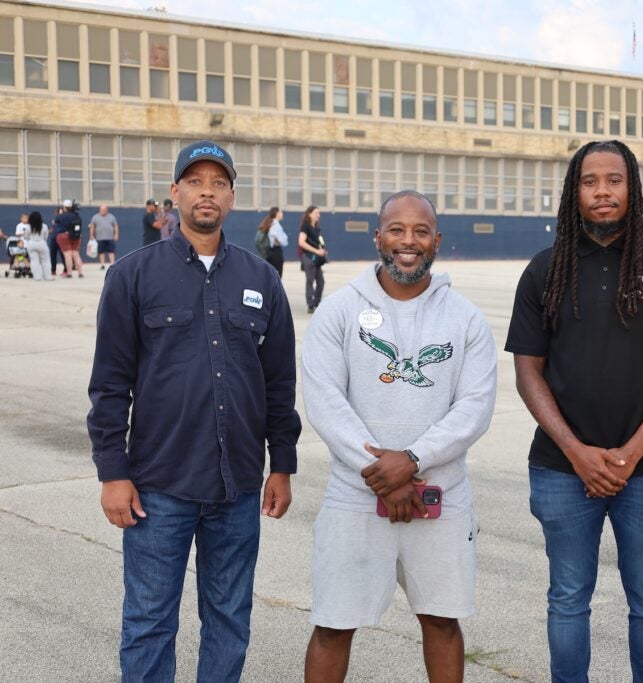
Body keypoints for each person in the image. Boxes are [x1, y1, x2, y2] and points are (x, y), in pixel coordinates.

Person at [87, 140, 301, 681]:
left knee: (229, 618)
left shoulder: (262, 280)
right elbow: (110, 386)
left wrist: (283, 463)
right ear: (175, 193)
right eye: (196, 181)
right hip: (158, 486)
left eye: (219, 183)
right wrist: (113, 473)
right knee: (149, 621)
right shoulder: (133, 276)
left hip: (239, 487)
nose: (207, 192)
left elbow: (279, 382)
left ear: (232, 197)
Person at [505, 140, 643, 682]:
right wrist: (576, 452)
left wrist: (629, 453)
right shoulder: (545, 270)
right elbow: (529, 372)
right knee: (567, 599)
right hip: (560, 467)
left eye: (614, 180)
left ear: (633, 187)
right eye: (590, 180)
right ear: (574, 191)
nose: (603, 191)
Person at [302, 190, 497, 682]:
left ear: (436, 240)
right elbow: (325, 401)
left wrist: (411, 461)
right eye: (396, 229)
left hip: (440, 495)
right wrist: (385, 474)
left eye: (420, 231)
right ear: (378, 237)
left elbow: (474, 408)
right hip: (354, 494)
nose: (408, 241)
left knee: (441, 620)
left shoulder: (466, 319)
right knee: (333, 624)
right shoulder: (339, 312)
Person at [298, 205, 327, 313]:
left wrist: (322, 250)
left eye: (319, 213)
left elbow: (318, 242)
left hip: (317, 258)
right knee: (310, 281)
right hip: (309, 257)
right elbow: (301, 242)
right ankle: (310, 305)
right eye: (316, 213)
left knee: (321, 282)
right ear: (309, 214)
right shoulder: (305, 226)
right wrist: (316, 251)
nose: (318, 215)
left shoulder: (317, 227)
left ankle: (316, 303)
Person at [53, 198, 84, 278]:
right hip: (76, 236)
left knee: (68, 255)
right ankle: (80, 273)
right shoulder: (77, 216)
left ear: (64, 207)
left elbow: (55, 222)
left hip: (63, 236)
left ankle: (69, 273)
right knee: (76, 254)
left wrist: (59, 214)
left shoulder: (61, 216)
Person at [258, 206, 288, 277]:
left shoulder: (270, 223)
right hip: (276, 253)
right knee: (277, 275)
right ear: (277, 213)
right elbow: (281, 240)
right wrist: (281, 241)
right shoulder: (275, 225)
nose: (282, 214)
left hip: (270, 253)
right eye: (281, 212)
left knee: (271, 275)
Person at [23, 210, 52, 281]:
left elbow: (25, 236)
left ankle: (37, 277)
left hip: (31, 243)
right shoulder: (44, 226)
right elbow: (46, 236)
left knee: (34, 261)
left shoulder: (28, 226)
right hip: (42, 242)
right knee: (46, 261)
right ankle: (48, 277)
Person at [88, 205, 119, 269]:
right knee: (101, 252)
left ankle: (113, 264)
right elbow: (92, 226)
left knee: (111, 251)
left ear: (107, 210)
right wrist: (91, 235)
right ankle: (102, 265)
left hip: (110, 237)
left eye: (104, 210)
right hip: (100, 238)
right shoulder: (95, 217)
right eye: (102, 210)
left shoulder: (112, 217)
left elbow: (115, 226)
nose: (103, 211)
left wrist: (116, 234)